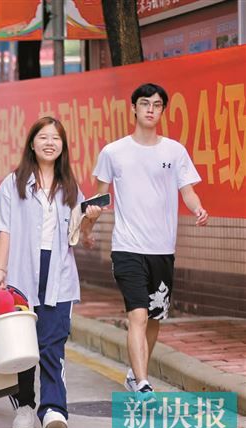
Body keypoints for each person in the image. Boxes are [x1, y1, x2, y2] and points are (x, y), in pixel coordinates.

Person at [87, 83, 208, 397]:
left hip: (162, 248)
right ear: (134, 108)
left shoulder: (174, 152)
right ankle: (142, 382)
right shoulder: (114, 152)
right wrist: (87, 226)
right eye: (144, 104)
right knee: (138, 314)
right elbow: (100, 196)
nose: (150, 109)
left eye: (156, 105)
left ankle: (134, 374)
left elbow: (188, 191)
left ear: (163, 110)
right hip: (127, 247)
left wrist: (197, 208)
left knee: (154, 318)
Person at [0, 116, 100, 428]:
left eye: (56, 138)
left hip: (59, 273)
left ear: (63, 146)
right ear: (32, 143)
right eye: (43, 137)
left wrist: (90, 221)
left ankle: (53, 409)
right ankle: (24, 405)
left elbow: (81, 238)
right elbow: (5, 230)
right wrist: (0, 270)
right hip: (22, 270)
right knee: (21, 342)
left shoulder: (71, 187)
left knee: (52, 344)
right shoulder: (13, 183)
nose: (50, 143)